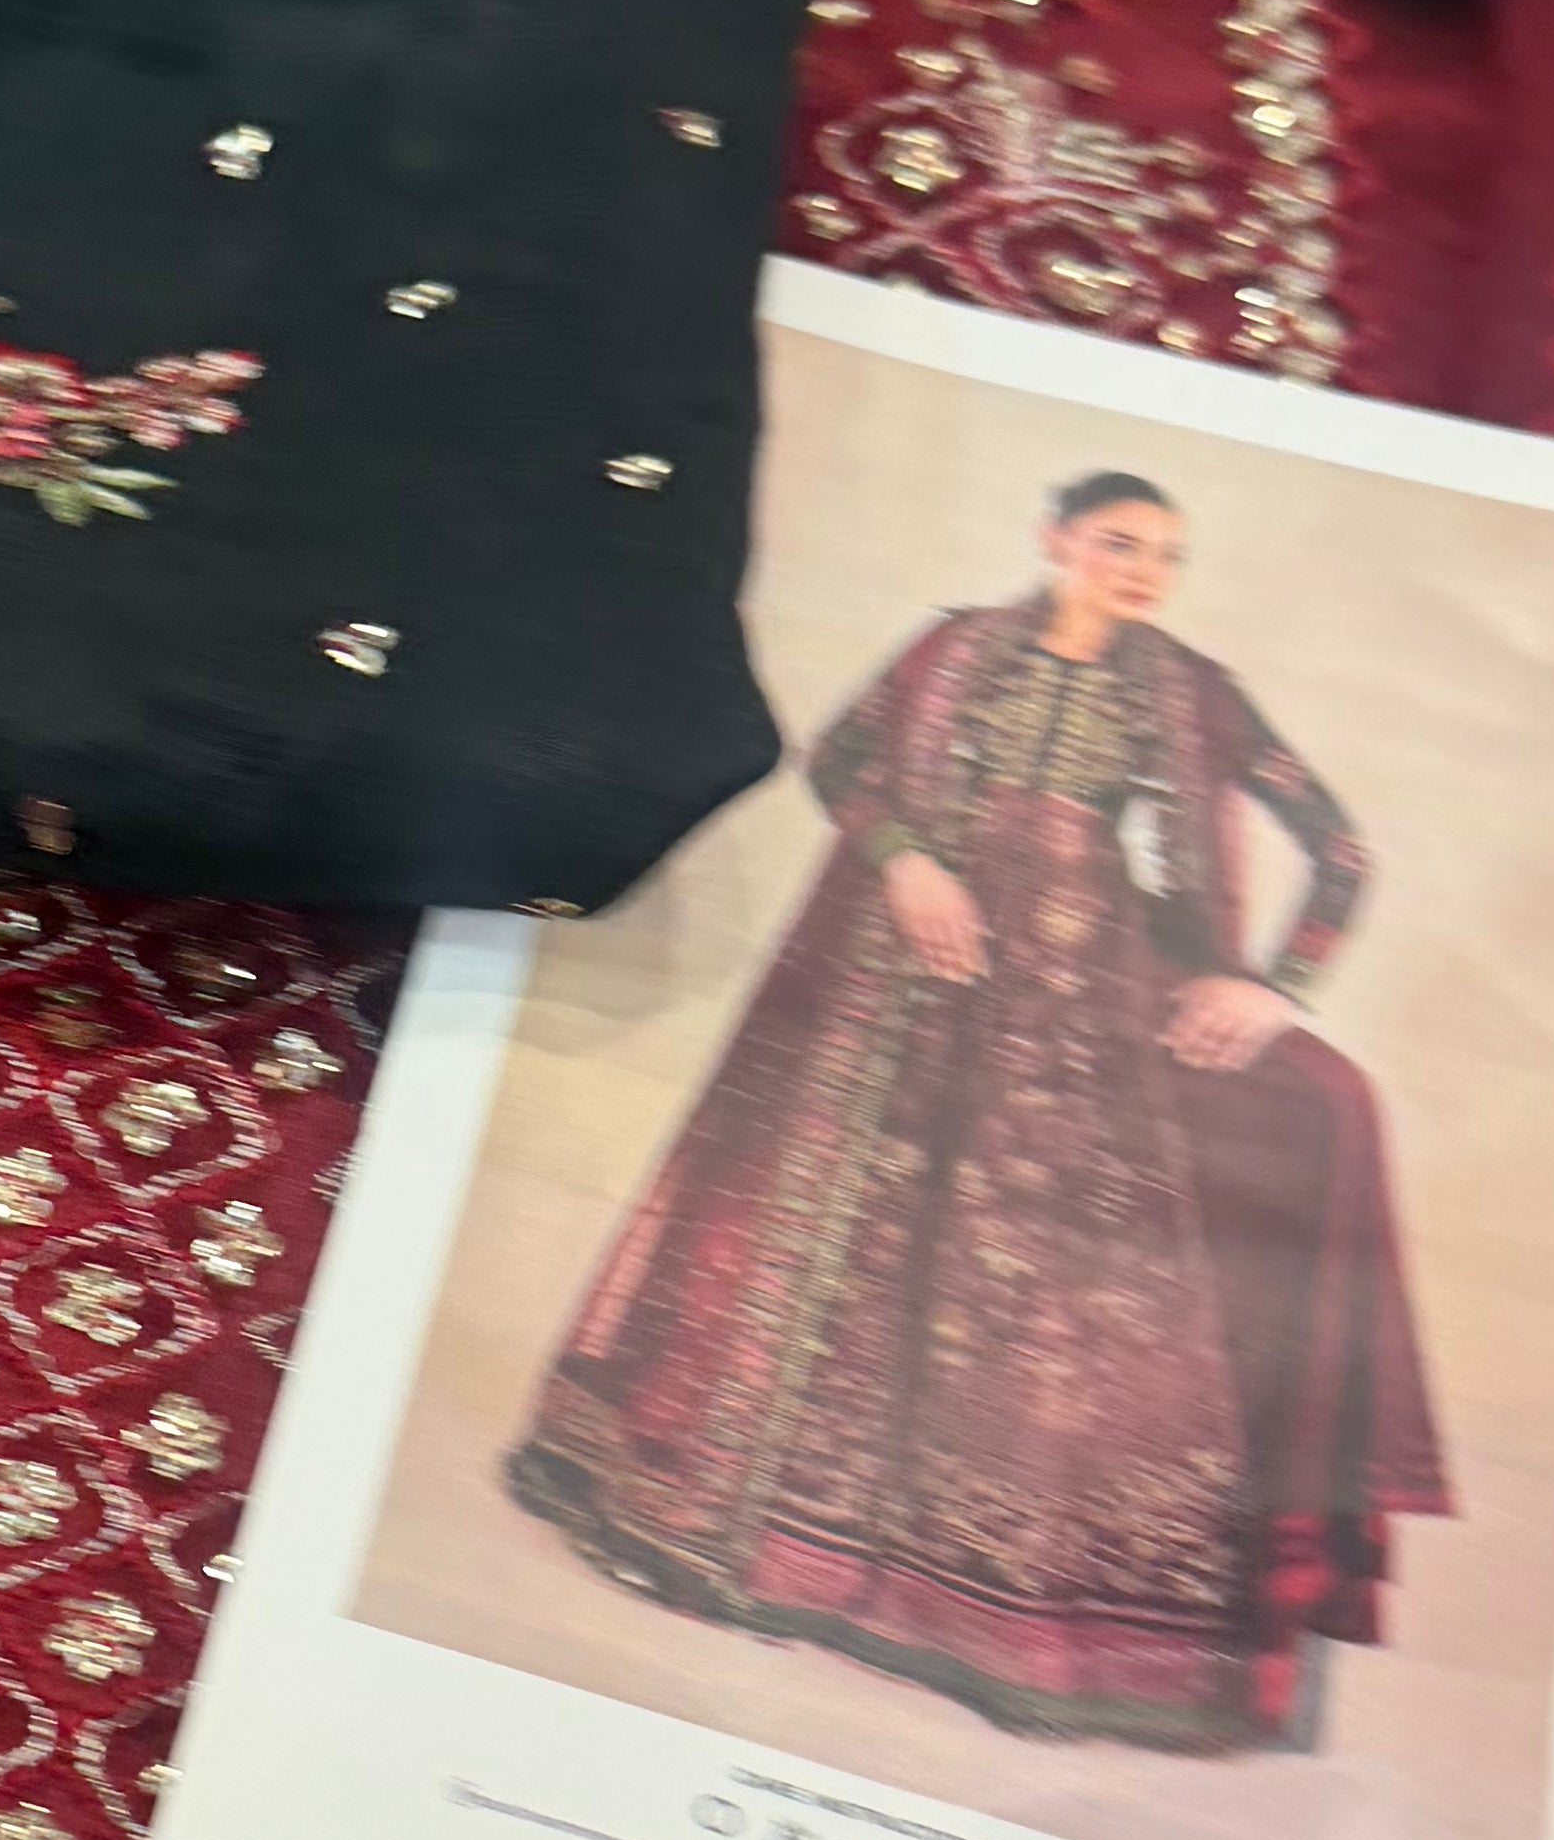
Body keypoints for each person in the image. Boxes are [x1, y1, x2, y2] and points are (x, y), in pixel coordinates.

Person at [509, 465, 1449, 1752]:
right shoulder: (954, 649)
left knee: (1021, 1284)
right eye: (1119, 543)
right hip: (901, 974)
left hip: (1068, 998)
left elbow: (1341, 853)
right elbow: (841, 758)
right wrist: (908, 867)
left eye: (1165, 556)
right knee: (838, 1246)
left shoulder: (1192, 692)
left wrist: (1272, 987)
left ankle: (977, 1592)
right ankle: (768, 1534)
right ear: (1055, 540)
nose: (1143, 574)